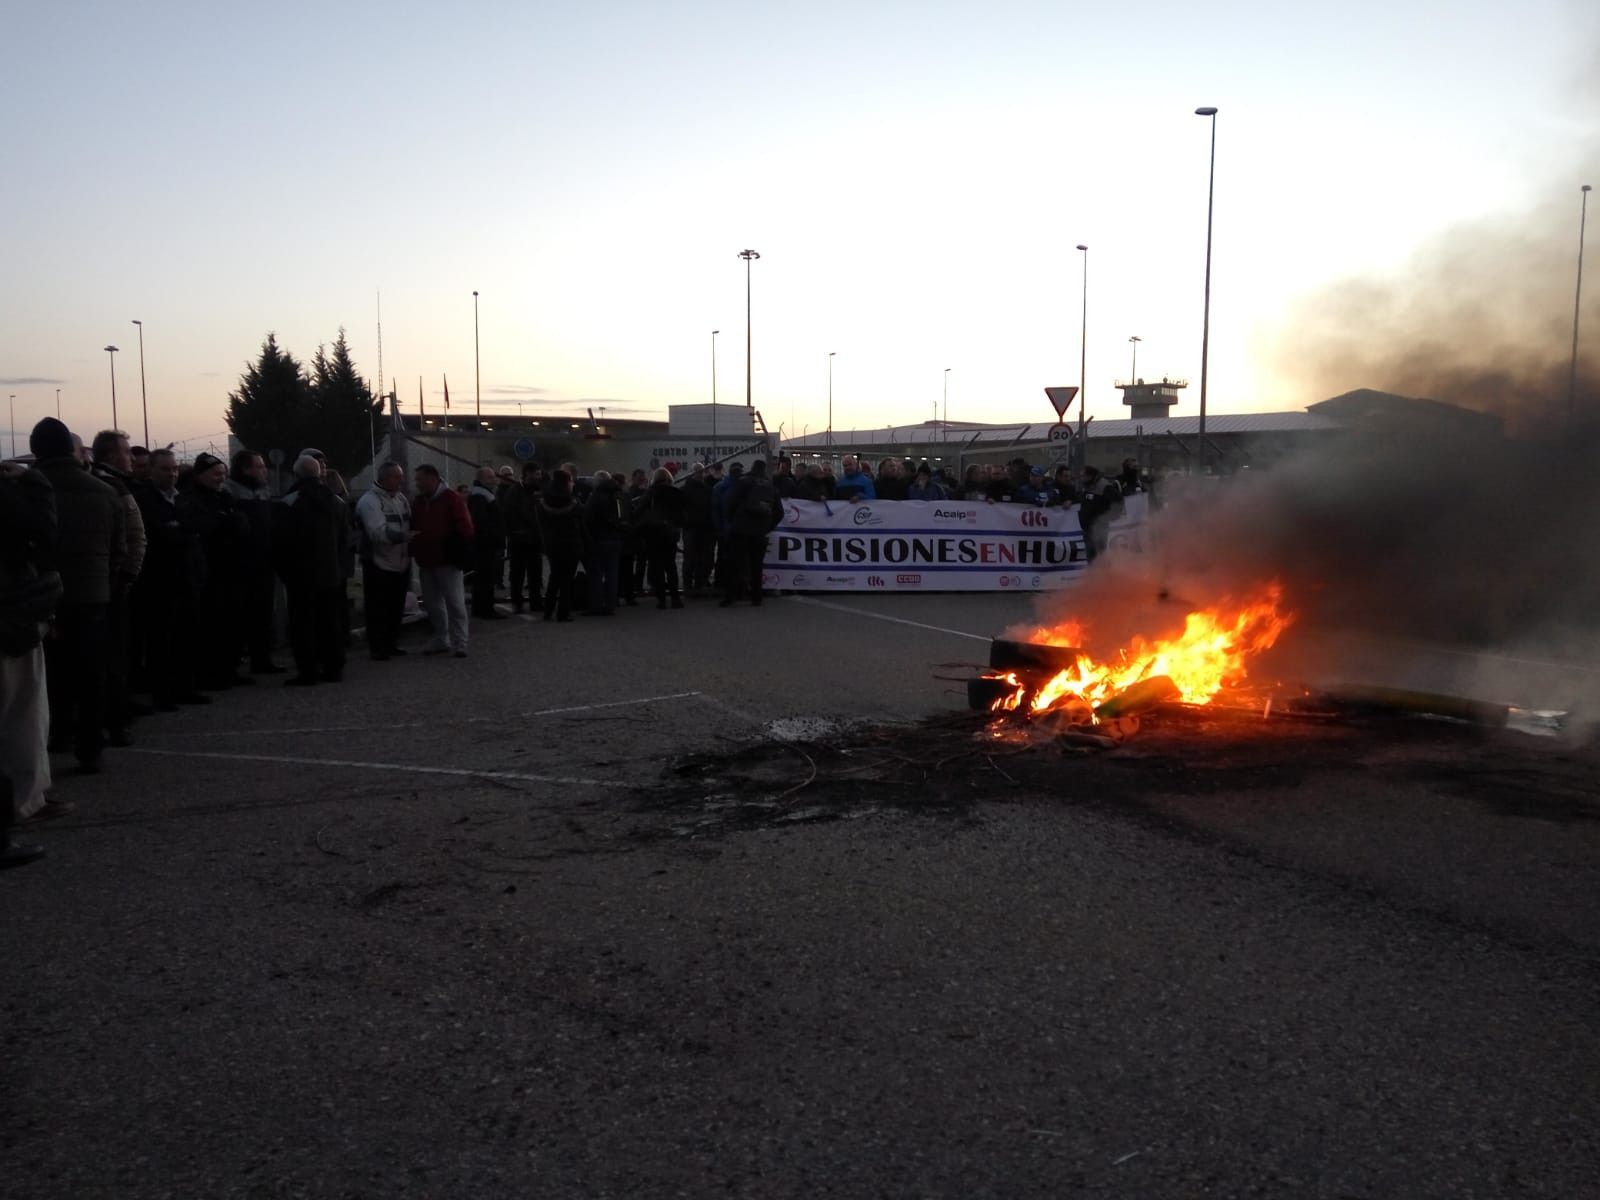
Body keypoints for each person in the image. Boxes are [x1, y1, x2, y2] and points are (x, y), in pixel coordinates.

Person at [30, 418, 126, 775]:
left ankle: (53, 737)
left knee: (44, 672)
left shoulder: (26, 490)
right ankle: (91, 746)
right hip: (92, 594)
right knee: (90, 672)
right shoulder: (105, 491)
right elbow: (121, 547)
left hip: (37, 596)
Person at [0, 456, 60, 848]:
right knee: (20, 713)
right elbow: (43, 533)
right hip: (11, 619)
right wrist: (35, 483)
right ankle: (22, 802)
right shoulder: (13, 493)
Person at [132, 448, 207, 709]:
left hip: (188, 578)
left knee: (187, 637)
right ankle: (162, 693)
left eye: (175, 469)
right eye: (165, 469)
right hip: (160, 581)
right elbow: (159, 535)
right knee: (161, 640)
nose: (172, 474)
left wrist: (181, 530)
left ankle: (186, 687)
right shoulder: (144, 499)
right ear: (151, 471)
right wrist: (181, 531)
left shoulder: (184, 499)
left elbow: (198, 527)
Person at [90, 430, 148, 745]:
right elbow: (131, 536)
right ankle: (113, 719)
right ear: (112, 455)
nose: (131, 458)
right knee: (111, 656)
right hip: (111, 584)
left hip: (100, 582)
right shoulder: (112, 487)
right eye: (126, 452)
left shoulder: (108, 483)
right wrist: (126, 577)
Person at [274, 455, 348, 685]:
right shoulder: (336, 501)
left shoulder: (289, 501)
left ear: (296, 475)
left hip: (300, 575)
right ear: (320, 473)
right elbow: (343, 539)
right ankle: (334, 668)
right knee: (330, 622)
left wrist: (284, 570)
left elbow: (281, 541)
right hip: (330, 573)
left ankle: (308, 671)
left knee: (303, 623)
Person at [182, 452, 252, 689]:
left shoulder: (224, 497)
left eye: (222, 474)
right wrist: (227, 523)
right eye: (215, 474)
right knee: (212, 624)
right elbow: (206, 526)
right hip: (209, 571)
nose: (220, 478)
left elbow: (242, 522)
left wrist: (229, 522)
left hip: (231, 569)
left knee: (232, 622)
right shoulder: (192, 499)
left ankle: (229, 669)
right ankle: (210, 673)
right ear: (200, 475)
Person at [223, 448, 282, 675]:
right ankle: (234, 663)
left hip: (264, 562)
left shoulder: (263, 492)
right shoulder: (230, 493)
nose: (264, 470)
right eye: (259, 466)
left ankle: (262, 659)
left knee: (263, 613)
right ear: (245, 469)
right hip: (241, 563)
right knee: (238, 614)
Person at [411, 463, 474, 657]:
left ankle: (460, 641)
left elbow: (465, 527)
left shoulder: (451, 499)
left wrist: (451, 546)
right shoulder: (420, 501)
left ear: (432, 478)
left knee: (454, 602)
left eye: (420, 479)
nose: (417, 483)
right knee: (432, 603)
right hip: (427, 560)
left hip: (447, 559)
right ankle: (441, 638)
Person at [354, 461, 413, 661]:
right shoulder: (369, 501)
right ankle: (378, 647)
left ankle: (391, 642)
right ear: (385, 478)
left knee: (396, 606)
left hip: (401, 562)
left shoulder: (400, 498)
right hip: (379, 562)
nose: (401, 480)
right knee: (378, 607)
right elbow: (377, 532)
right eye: (397, 477)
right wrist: (404, 537)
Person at [720, 459, 781, 607]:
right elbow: (779, 512)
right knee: (757, 565)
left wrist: (732, 521)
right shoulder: (769, 486)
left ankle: (732, 596)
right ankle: (756, 597)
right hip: (760, 531)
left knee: (735, 564)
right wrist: (768, 526)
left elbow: (730, 503)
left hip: (740, 529)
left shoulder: (743, 482)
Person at [536, 469, 585, 622]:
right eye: (570, 481)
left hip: (551, 543)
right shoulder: (573, 502)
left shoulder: (543, 501)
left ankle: (548, 611)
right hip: (570, 543)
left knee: (554, 576)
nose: (573, 483)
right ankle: (563, 612)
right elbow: (583, 519)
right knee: (566, 579)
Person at [635, 467, 685, 609]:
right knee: (671, 566)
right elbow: (682, 515)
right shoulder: (676, 493)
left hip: (653, 533)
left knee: (657, 566)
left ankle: (661, 598)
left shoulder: (650, 493)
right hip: (670, 533)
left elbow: (639, 510)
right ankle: (675, 597)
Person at [581, 470, 625, 616]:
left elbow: (587, 517)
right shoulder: (619, 494)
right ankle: (611, 604)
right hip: (616, 538)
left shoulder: (596, 496)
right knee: (612, 573)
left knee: (596, 574)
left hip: (599, 538)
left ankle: (596, 605)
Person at [503, 463, 544, 614]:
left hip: (534, 538)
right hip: (519, 539)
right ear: (527, 474)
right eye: (537, 474)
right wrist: (517, 531)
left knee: (535, 572)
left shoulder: (538, 491)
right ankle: (517, 601)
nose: (539, 477)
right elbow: (510, 514)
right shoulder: (515, 491)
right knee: (517, 572)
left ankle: (536, 602)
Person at [466, 466, 506, 620]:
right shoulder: (480, 496)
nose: (494, 480)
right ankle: (486, 609)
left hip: (485, 543)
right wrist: (493, 536)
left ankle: (481, 608)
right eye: (490, 477)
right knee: (486, 577)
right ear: (481, 479)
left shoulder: (483, 494)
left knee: (483, 577)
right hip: (485, 544)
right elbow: (481, 521)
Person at [679, 464, 716, 595]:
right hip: (701, 527)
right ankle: (696, 584)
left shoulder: (685, 489)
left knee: (693, 557)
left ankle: (692, 584)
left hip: (694, 527)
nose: (700, 474)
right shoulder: (707, 490)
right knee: (699, 557)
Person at [1077, 465, 1123, 563]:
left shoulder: (1104, 486)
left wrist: (1111, 516)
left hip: (1098, 529)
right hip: (1087, 528)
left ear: (1090, 476)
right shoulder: (1087, 486)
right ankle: (1095, 576)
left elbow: (1118, 500)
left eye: (1083, 476)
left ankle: (1102, 575)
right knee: (1091, 557)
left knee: (1098, 556)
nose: (1081, 478)